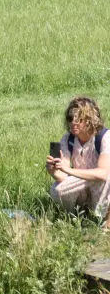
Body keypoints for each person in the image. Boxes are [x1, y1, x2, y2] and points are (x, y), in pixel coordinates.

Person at [47, 96, 110, 225]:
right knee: (57, 189)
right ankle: (76, 216)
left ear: (90, 120)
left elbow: (103, 173)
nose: (73, 123)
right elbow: (62, 176)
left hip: (101, 183)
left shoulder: (104, 137)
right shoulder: (68, 139)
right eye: (70, 118)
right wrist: (53, 171)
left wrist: (69, 170)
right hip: (82, 182)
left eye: (79, 119)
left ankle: (105, 220)